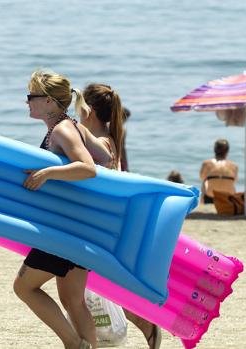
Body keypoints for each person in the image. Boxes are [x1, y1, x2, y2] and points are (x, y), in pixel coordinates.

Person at [14, 69, 98, 349]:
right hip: (78, 223)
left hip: (64, 227)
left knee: (24, 287)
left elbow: (88, 168)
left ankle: (74, 343)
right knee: (73, 300)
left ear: (49, 101)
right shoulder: (68, 125)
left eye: (31, 96)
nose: (27, 102)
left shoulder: (62, 129)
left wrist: (48, 173)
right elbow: (106, 157)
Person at [79, 83, 161, 349]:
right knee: (99, 284)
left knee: (88, 285)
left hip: (97, 225)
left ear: (89, 111)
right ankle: (145, 325)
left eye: (79, 108)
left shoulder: (99, 143)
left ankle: (142, 324)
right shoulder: (110, 140)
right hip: (105, 223)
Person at [199, 139, 238, 204]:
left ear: (214, 150)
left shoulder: (206, 163)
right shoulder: (234, 166)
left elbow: (202, 177)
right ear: (227, 151)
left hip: (211, 196)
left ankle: (201, 202)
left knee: (205, 181)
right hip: (228, 197)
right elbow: (235, 181)